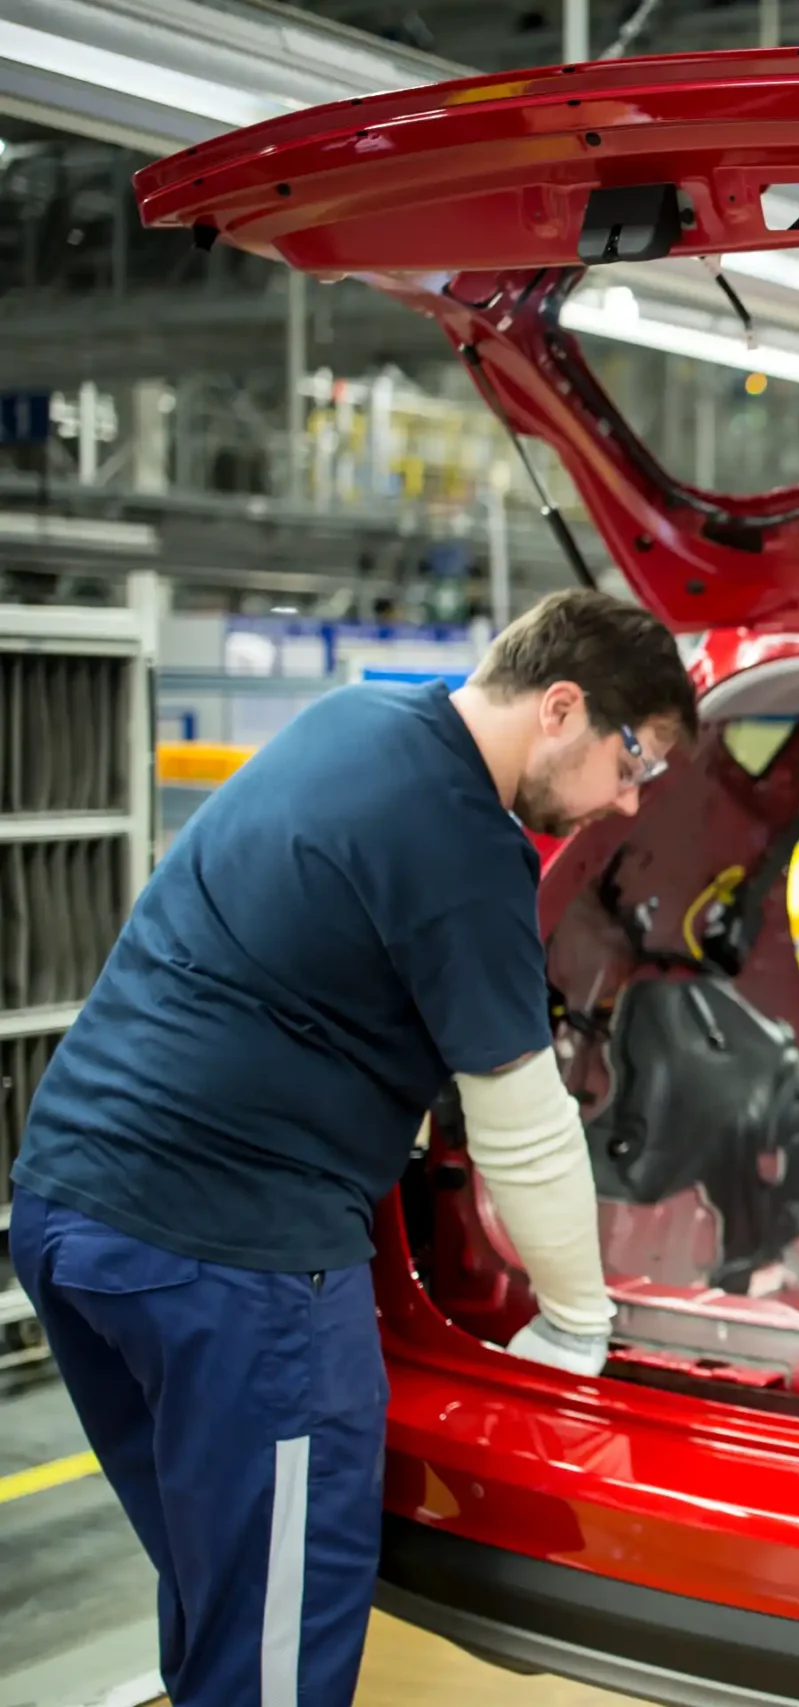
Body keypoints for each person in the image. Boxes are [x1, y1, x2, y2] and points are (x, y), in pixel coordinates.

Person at [8, 588, 698, 1707]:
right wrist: (577, 1321)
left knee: (220, 1597)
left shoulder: (355, 725)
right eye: (636, 761)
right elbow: (525, 1126)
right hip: (234, 1269)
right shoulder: (465, 840)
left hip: (74, 1222)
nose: (627, 801)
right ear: (562, 707)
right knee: (275, 1652)